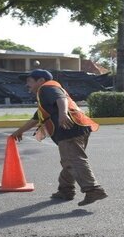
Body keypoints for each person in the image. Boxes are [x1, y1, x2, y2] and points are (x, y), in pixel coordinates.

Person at [10, 69, 107, 206]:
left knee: (73, 160)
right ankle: (65, 190)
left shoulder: (47, 88)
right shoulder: (44, 96)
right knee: (69, 160)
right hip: (77, 127)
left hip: (69, 129)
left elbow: (60, 98)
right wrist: (18, 132)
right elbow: (36, 118)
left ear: (41, 81)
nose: (27, 85)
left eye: (29, 81)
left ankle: (93, 189)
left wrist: (63, 114)